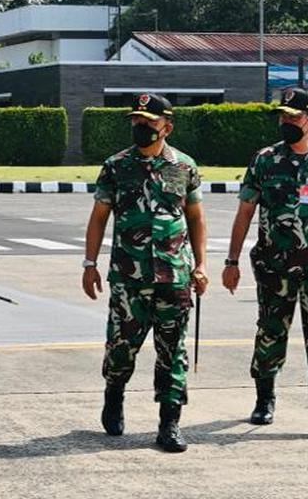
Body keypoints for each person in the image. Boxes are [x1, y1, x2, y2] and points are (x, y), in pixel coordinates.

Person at [223, 87, 308, 442]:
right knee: (270, 331)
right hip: (274, 266)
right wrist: (232, 260)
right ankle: (264, 398)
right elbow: (245, 212)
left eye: (293, 116)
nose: (285, 122)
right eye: (282, 116)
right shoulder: (265, 160)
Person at [82, 93, 207, 452]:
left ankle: (169, 423)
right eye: (136, 122)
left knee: (172, 352)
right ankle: (114, 394)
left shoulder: (184, 166)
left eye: (148, 123)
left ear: (166, 126)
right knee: (122, 348)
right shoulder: (116, 166)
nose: (140, 128)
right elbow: (99, 218)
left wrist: (201, 265)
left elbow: (196, 218)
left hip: (175, 277)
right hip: (129, 277)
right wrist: (89, 264)